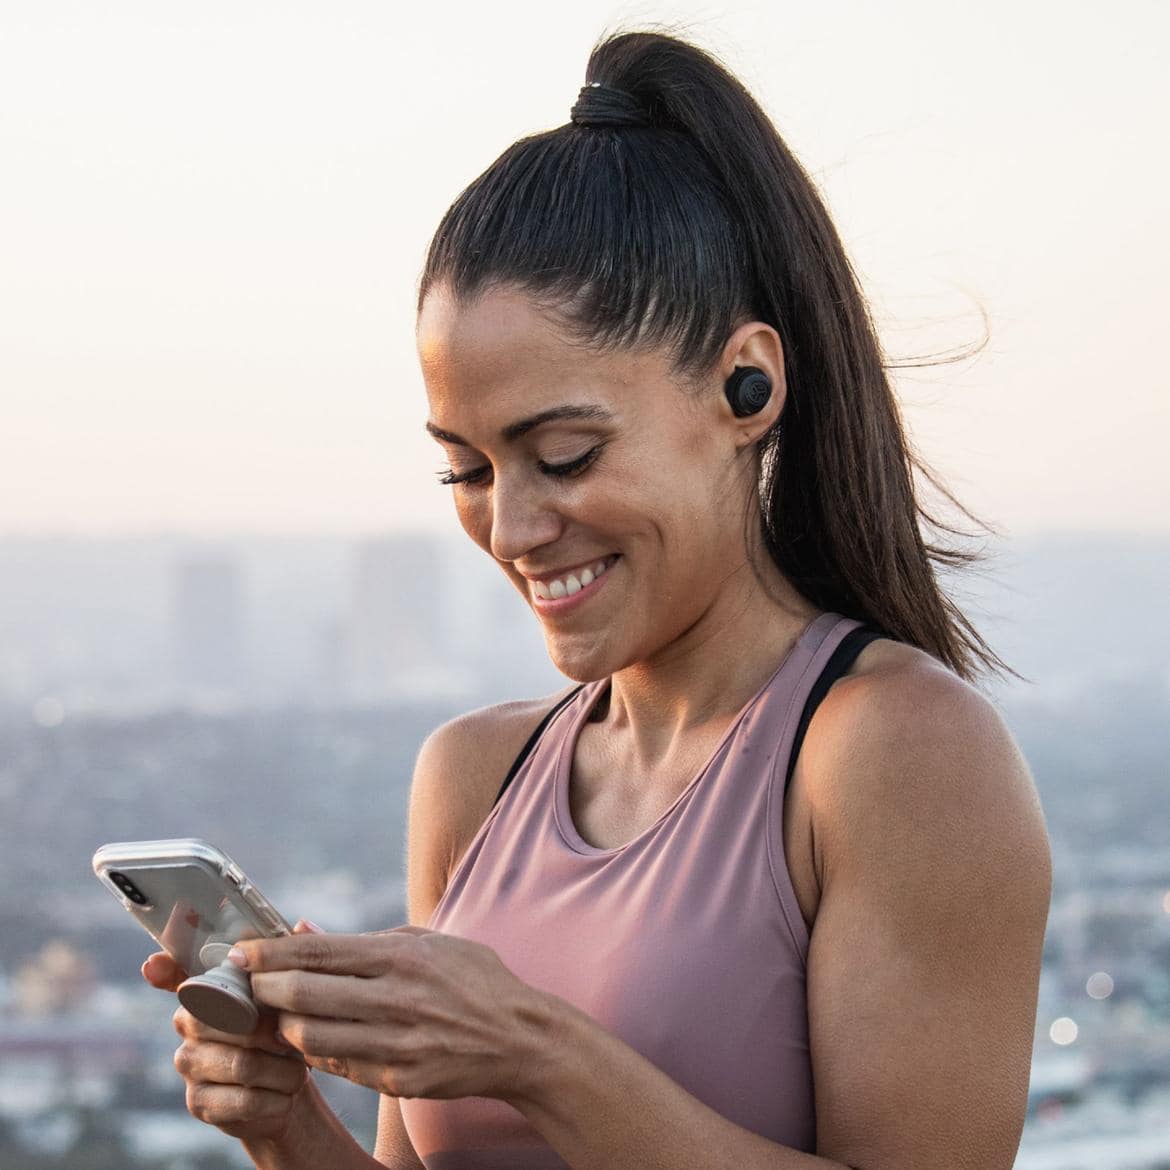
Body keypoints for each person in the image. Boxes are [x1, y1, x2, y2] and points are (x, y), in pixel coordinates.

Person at [142, 29, 1052, 1170]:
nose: (512, 528)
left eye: (564, 454)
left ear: (745, 385)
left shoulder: (893, 754)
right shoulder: (474, 780)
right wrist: (283, 1127)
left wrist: (532, 1051)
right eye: (467, 471)